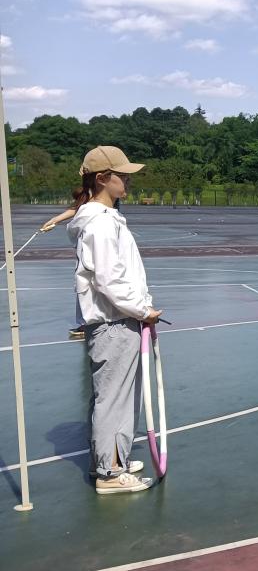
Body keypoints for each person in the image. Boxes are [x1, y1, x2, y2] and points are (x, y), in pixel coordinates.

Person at [68, 146, 163, 495]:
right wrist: (142, 310)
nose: (127, 181)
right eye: (122, 175)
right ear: (102, 179)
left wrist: (139, 310)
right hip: (115, 322)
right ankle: (109, 472)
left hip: (120, 320)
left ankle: (114, 458)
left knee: (120, 396)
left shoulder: (104, 219)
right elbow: (110, 278)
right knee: (114, 398)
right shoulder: (101, 224)